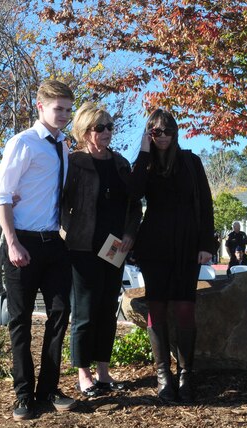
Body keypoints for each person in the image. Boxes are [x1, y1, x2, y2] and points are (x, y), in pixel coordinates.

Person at [0, 80, 76, 420]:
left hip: (53, 243)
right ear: (39, 106)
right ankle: (24, 396)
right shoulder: (23, 143)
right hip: (22, 243)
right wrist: (12, 243)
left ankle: (49, 389)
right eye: (59, 109)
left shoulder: (63, 145)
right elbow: (2, 195)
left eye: (68, 110)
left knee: (59, 315)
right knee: (20, 322)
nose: (64, 115)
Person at [130, 109, 215, 403]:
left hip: (188, 244)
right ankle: (163, 374)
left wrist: (207, 243)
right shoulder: (146, 164)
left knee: (183, 309)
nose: (162, 136)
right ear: (149, 135)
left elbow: (205, 203)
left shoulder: (191, 162)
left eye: (167, 131)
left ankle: (186, 374)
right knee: (156, 308)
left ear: (175, 133)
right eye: (155, 132)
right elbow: (132, 193)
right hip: (154, 245)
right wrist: (143, 150)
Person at [62, 103, 142, 397]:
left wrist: (130, 234)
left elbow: (135, 206)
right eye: (100, 127)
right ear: (85, 131)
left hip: (115, 249)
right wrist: (68, 233)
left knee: (108, 310)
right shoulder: (74, 163)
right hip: (82, 248)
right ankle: (84, 376)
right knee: (85, 312)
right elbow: (60, 205)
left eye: (110, 126)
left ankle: (103, 373)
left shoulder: (121, 163)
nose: (107, 132)